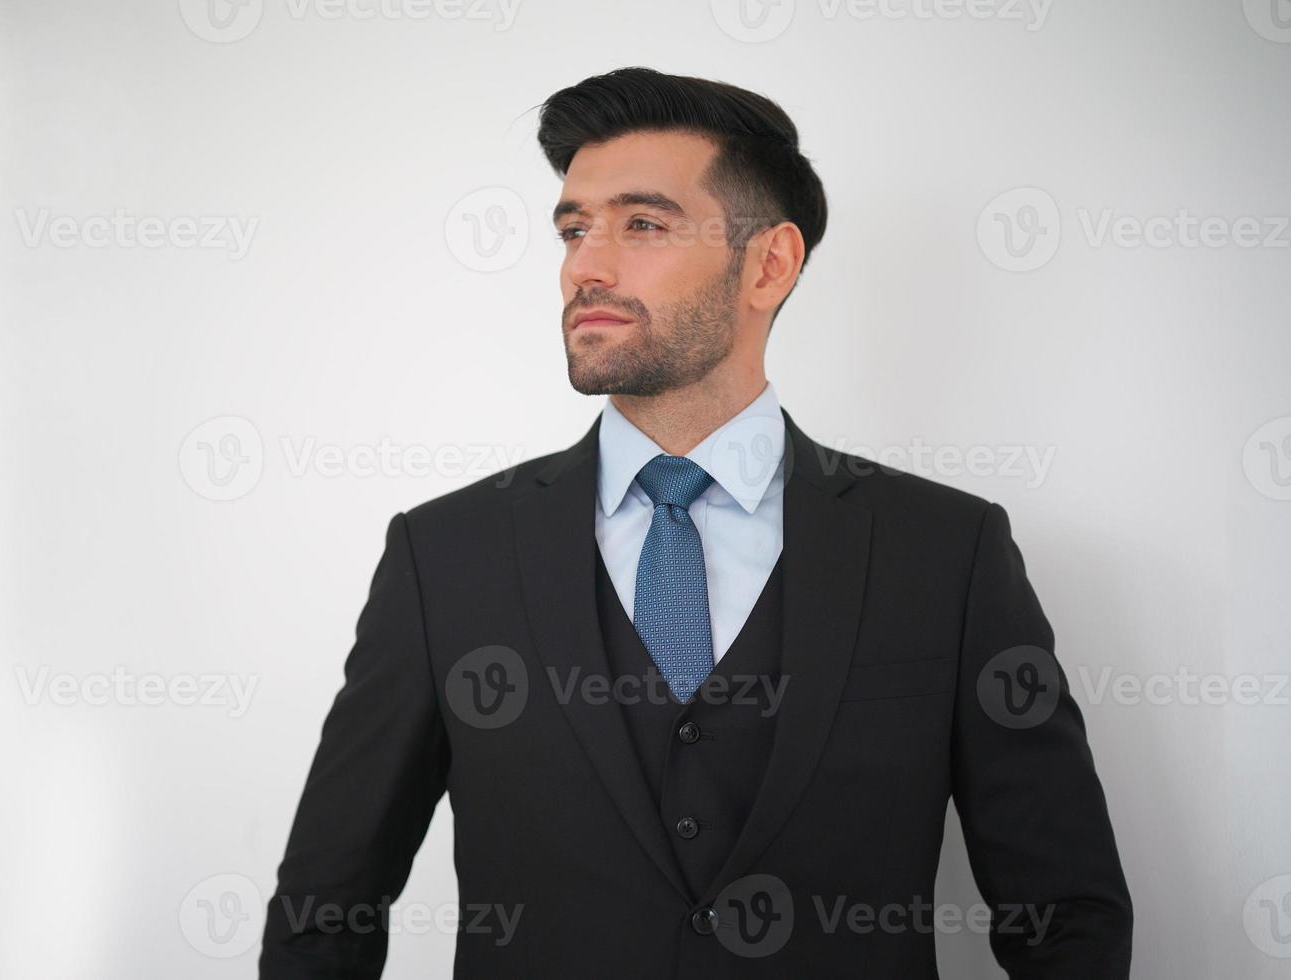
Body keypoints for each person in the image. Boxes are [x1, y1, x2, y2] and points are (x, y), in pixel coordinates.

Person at [259, 66, 1132, 979]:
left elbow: (1066, 914)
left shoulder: (945, 554)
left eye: (642, 224)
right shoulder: (445, 558)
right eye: (573, 228)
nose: (586, 265)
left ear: (769, 263)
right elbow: (327, 911)